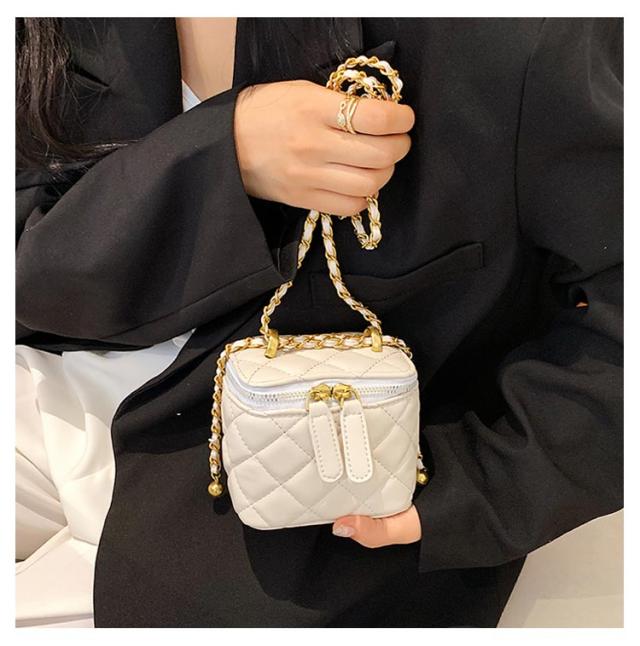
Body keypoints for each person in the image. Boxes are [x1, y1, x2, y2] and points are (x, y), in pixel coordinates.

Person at [15, 18, 623, 627]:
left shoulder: (516, 32)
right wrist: (223, 153)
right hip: (50, 377)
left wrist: (478, 485)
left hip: (297, 499)